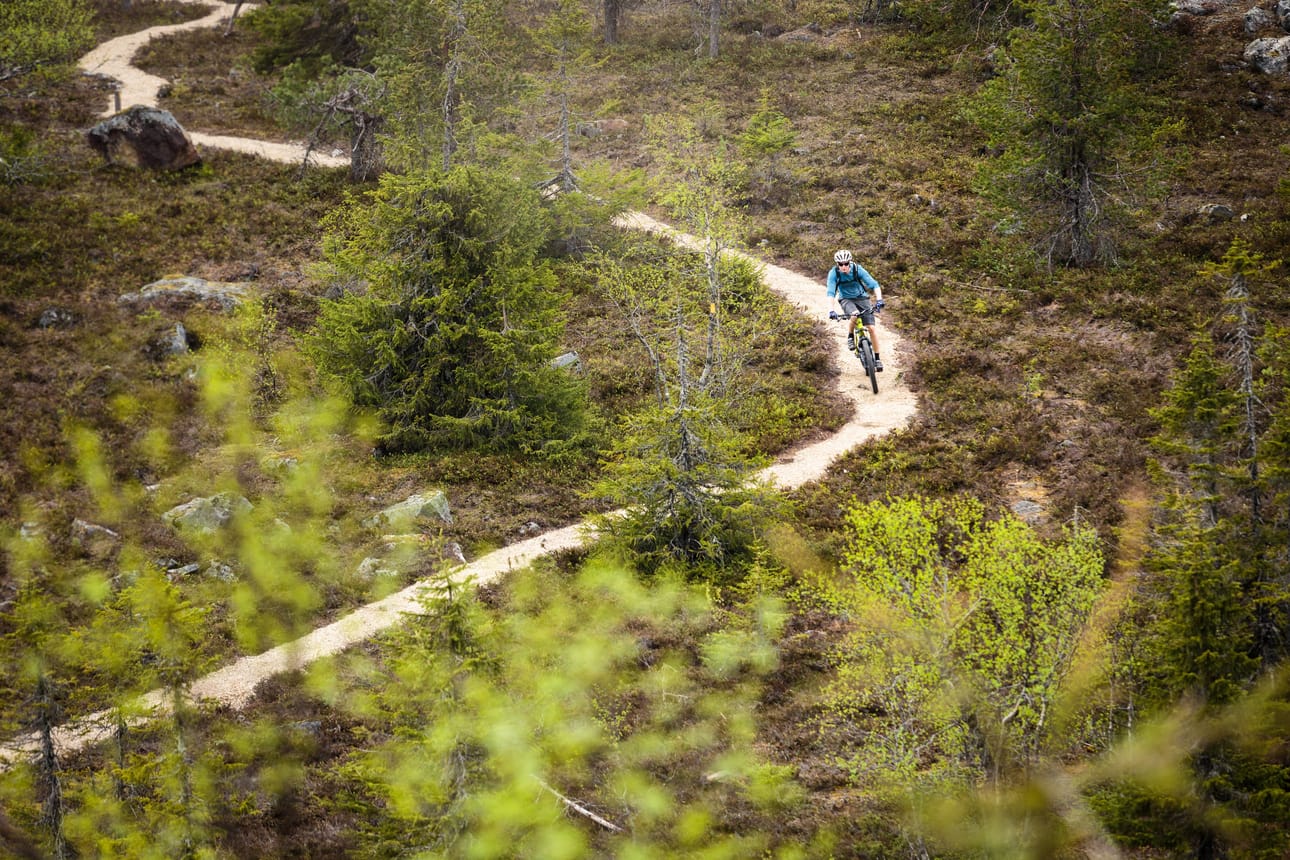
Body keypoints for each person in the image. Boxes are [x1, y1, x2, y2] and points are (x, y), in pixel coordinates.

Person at [826, 249, 886, 371]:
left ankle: (877, 358)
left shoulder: (858, 269)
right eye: (841, 264)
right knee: (854, 314)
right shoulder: (834, 273)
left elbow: (874, 284)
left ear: (850, 262)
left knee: (871, 328)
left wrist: (879, 300)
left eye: (846, 263)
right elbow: (831, 292)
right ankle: (850, 336)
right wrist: (831, 310)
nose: (844, 267)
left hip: (862, 298)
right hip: (846, 299)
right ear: (837, 264)